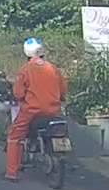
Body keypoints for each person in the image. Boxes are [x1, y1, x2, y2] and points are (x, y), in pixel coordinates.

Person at [4, 37, 68, 181]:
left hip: (32, 112)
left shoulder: (26, 69)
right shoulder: (53, 69)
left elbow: (18, 93)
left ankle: (11, 172)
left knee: (14, 137)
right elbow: (63, 91)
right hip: (54, 111)